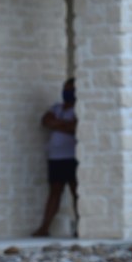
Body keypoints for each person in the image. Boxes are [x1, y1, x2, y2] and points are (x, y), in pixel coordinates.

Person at [33, 78, 79, 237]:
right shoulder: (57, 108)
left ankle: (80, 226)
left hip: (72, 157)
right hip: (56, 157)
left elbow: (75, 127)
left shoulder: (78, 109)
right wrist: (65, 125)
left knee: (76, 191)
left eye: (70, 89)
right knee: (54, 191)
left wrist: (59, 124)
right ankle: (44, 227)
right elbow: (46, 121)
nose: (67, 92)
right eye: (66, 88)